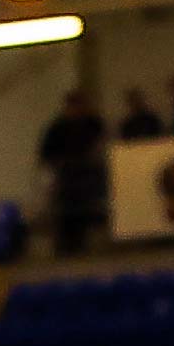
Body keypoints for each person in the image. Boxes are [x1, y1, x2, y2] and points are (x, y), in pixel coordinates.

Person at [36, 89, 110, 255]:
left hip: (86, 173)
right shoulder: (57, 127)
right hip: (66, 174)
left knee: (84, 209)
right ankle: (65, 244)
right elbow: (46, 152)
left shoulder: (93, 123)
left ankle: (79, 242)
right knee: (65, 210)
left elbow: (103, 141)